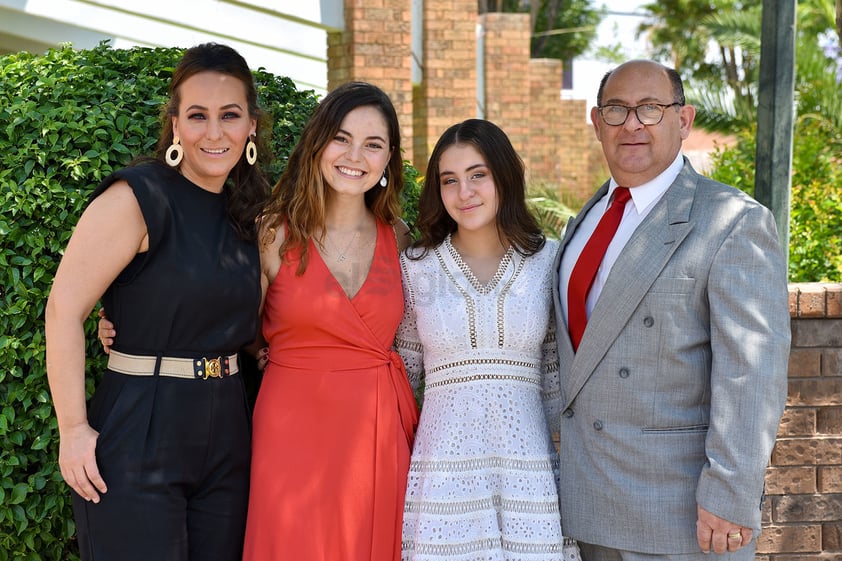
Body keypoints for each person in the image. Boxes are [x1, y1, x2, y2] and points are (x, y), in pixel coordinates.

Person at [552, 59, 790, 560]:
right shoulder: (586, 220)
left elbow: (752, 372)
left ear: (683, 121)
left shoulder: (731, 222)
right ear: (597, 123)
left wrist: (731, 494)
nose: (632, 124)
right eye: (616, 110)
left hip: (681, 515)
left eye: (650, 109)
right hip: (588, 506)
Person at [45, 43, 270, 561]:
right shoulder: (136, 198)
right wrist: (73, 429)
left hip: (228, 430)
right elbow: (63, 310)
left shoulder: (253, 216)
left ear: (251, 126)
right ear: (174, 123)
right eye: (197, 116)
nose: (214, 133)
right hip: (141, 425)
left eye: (230, 116)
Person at [241, 81, 419, 561]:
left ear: (388, 160)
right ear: (318, 143)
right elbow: (229, 326)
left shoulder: (400, 238)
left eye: (373, 144)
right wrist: (129, 326)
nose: (355, 155)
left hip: (376, 431)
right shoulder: (274, 233)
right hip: (291, 428)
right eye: (341, 137)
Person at [396, 119, 581, 561]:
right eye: (450, 180)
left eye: (478, 175)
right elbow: (401, 377)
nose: (465, 192)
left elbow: (557, 381)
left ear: (504, 176)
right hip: (443, 476)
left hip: (529, 470)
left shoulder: (549, 260)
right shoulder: (415, 267)